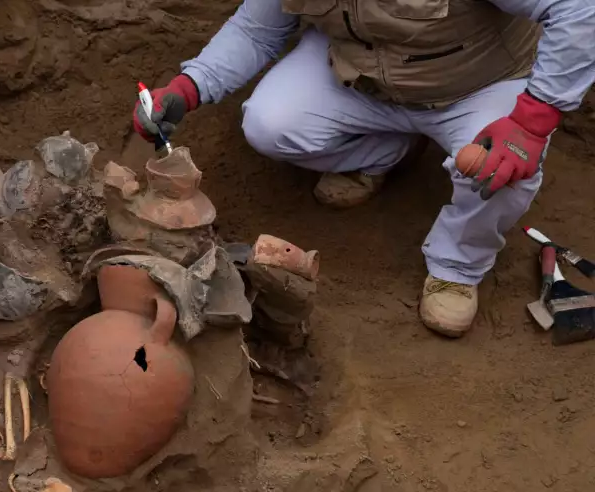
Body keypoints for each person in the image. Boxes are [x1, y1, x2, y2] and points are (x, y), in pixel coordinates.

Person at [132, 0, 595, 338]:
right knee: (270, 125)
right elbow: (255, 31)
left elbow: (577, 10)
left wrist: (532, 121)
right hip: (361, 78)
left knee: (501, 171)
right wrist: (187, 88)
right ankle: (381, 155)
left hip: (478, 85)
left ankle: (457, 264)